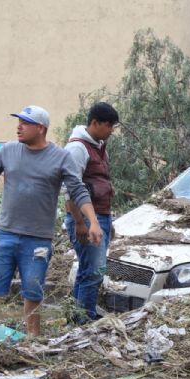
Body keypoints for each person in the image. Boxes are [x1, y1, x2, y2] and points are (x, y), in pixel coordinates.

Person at [0, 105, 103, 337]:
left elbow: (78, 191)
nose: (19, 127)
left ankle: (33, 341)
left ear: (41, 128)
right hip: (4, 234)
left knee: (33, 290)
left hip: (37, 239)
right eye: (18, 122)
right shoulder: (9, 150)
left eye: (25, 123)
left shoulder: (61, 157)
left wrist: (93, 222)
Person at [64, 102, 119, 323]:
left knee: (89, 271)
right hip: (87, 219)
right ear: (94, 123)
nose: (111, 131)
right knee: (93, 273)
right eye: (108, 126)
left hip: (100, 217)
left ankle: (75, 321)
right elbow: (70, 189)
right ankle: (83, 324)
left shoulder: (98, 146)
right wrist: (79, 222)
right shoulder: (78, 149)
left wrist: (107, 220)